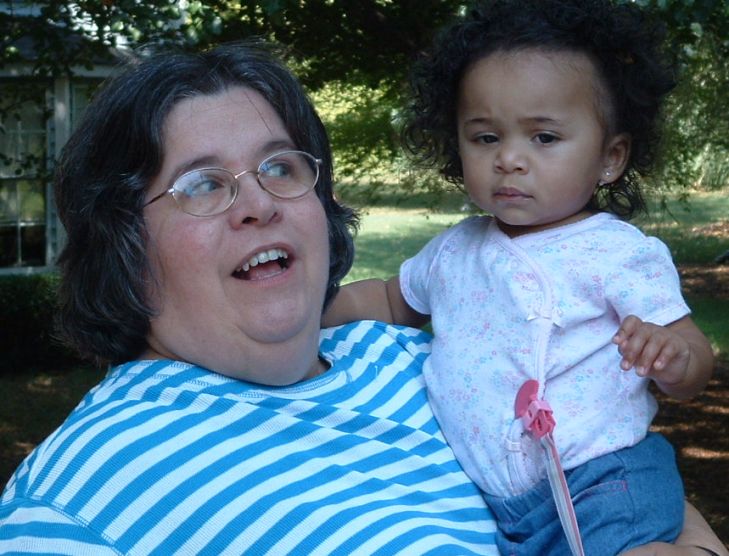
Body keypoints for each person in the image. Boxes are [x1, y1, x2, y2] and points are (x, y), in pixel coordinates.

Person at [0, 42, 723, 556]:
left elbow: (614, 480)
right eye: (203, 183)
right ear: (122, 242)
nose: (258, 203)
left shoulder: (412, 357)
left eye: (279, 167)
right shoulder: (79, 490)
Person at [321, 1, 717, 555]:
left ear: (611, 157)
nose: (509, 158)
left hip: (605, 476)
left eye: (544, 138)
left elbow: (694, 359)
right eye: (486, 138)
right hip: (507, 504)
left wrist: (673, 359)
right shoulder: (455, 250)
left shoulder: (618, 252)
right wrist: (311, 313)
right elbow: (389, 299)